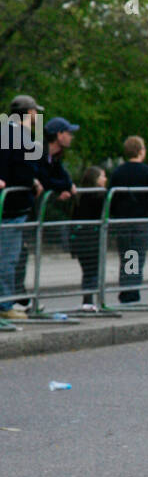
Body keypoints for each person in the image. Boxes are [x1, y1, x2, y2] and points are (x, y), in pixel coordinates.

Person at [0, 96, 44, 317]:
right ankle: (4, 305)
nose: (37, 116)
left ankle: (7, 302)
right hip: (12, 208)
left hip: (12, 206)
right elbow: (21, 166)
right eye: (36, 112)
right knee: (8, 257)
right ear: (28, 112)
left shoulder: (10, 132)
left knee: (11, 256)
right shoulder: (15, 134)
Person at [107, 137, 148, 303]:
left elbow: (111, 197)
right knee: (135, 256)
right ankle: (131, 291)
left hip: (122, 221)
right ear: (140, 151)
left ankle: (126, 288)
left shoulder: (118, 172)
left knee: (127, 256)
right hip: (140, 220)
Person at [70, 166, 107, 309]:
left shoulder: (80, 196)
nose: (105, 179)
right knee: (92, 271)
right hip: (93, 238)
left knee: (88, 271)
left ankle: (88, 299)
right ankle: (89, 301)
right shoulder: (100, 196)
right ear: (95, 179)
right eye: (102, 176)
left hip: (81, 239)